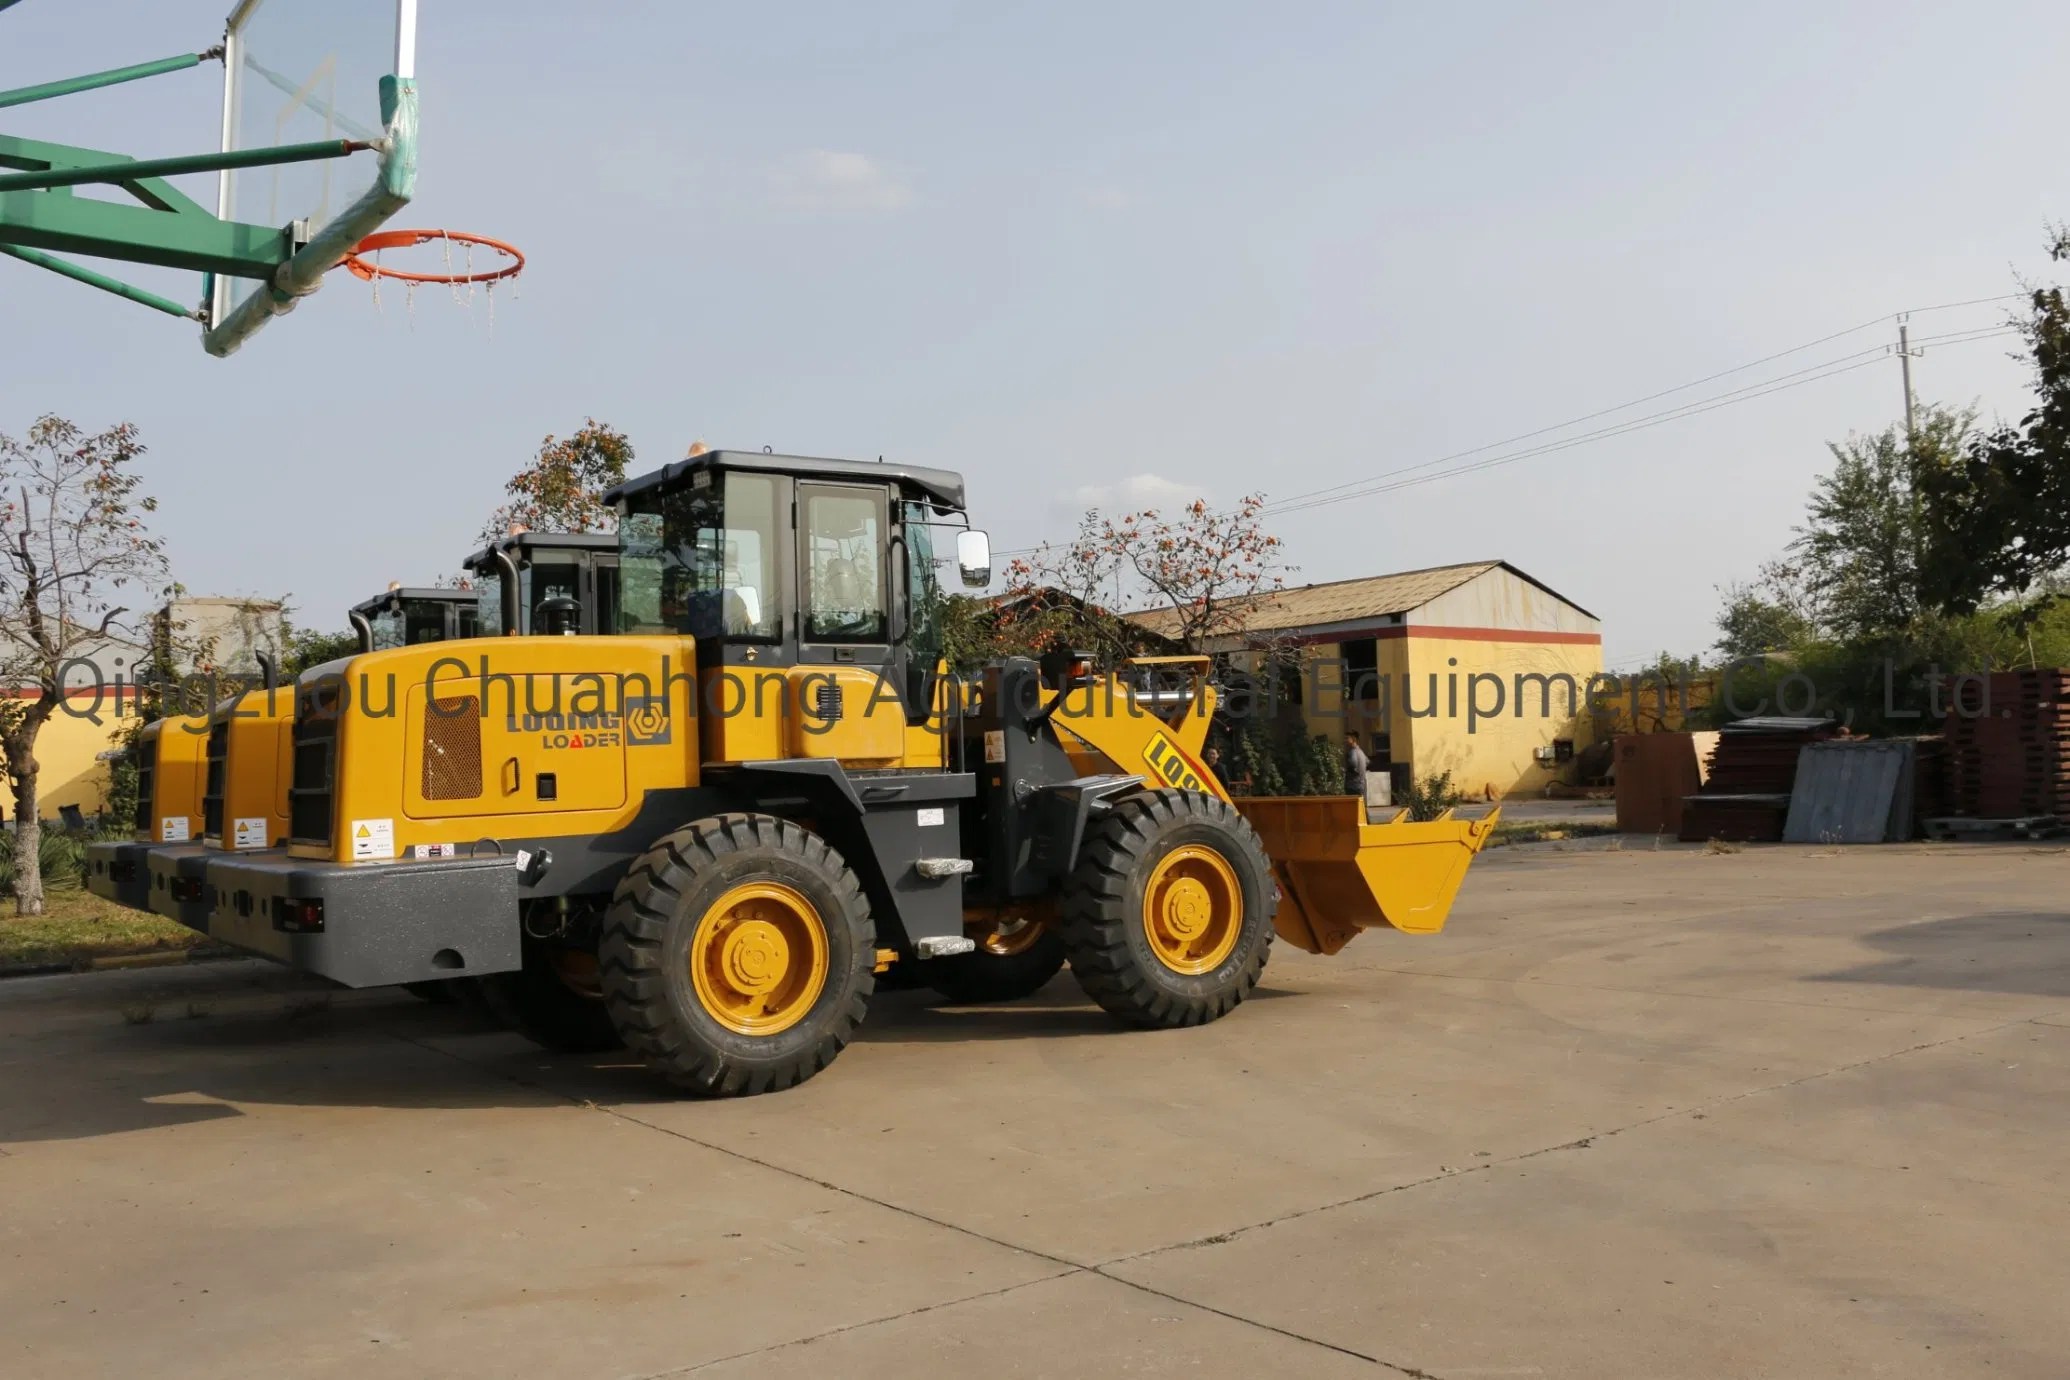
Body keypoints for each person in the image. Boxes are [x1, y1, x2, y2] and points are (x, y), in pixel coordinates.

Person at [1343, 733, 1369, 801]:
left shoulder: (1352, 752)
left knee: (1352, 808)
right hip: (1361, 785)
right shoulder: (1361, 752)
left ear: (1353, 739)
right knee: (1362, 808)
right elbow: (1368, 762)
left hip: (1352, 786)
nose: (1345, 740)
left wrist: (1345, 770)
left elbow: (1353, 764)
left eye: (1347, 738)